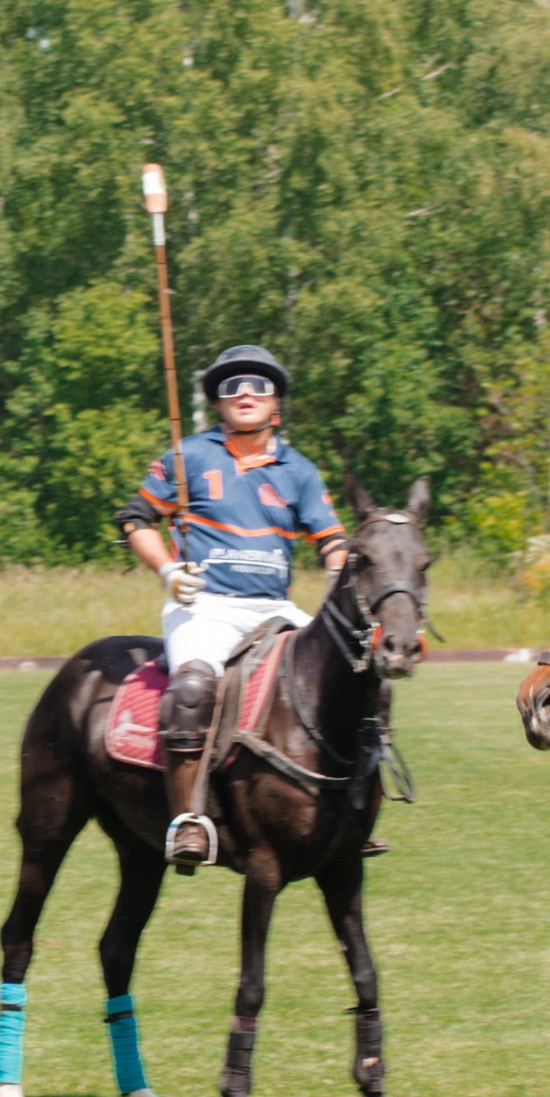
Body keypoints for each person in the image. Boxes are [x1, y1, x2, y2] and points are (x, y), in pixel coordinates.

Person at [115, 344, 348, 870]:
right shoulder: (189, 456)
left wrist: (338, 569)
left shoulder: (300, 470)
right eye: (231, 386)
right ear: (218, 405)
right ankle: (190, 819)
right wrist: (169, 571)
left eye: (259, 386)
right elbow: (136, 519)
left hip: (275, 609)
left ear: (276, 404)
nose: (245, 393)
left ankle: (351, 809)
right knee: (193, 688)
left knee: (350, 673)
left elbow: (332, 540)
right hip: (206, 607)